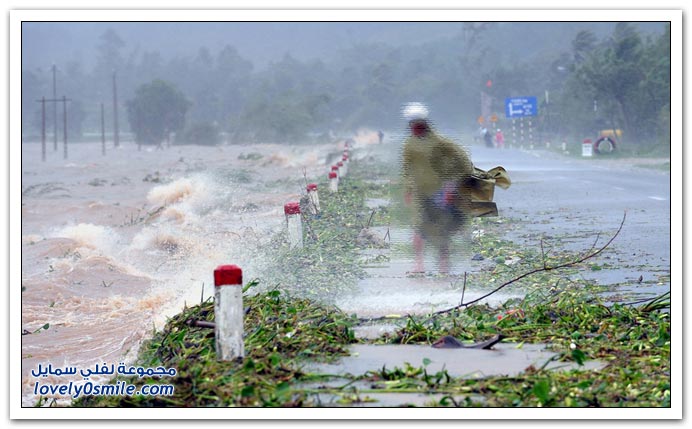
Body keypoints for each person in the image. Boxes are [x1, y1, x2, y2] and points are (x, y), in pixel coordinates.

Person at [400, 102, 475, 274]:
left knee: (442, 228)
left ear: (425, 124)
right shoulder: (408, 145)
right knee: (419, 226)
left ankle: (443, 263)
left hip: (441, 192)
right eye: (412, 124)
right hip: (421, 192)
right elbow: (407, 169)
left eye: (418, 124)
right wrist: (408, 189)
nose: (415, 128)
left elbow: (464, 164)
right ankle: (418, 264)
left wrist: (452, 186)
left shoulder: (441, 143)